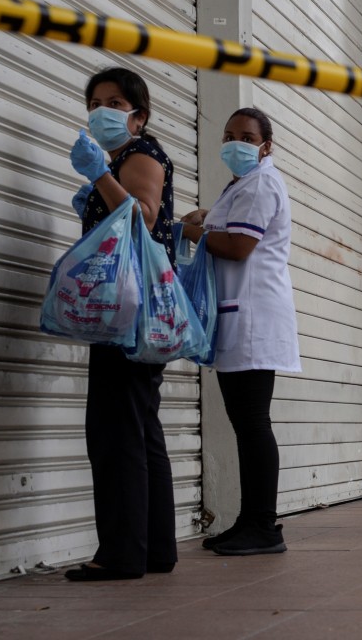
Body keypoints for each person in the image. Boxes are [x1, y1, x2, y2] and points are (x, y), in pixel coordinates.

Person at [64, 67, 178, 581]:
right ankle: (153, 549)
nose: (102, 109)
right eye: (95, 100)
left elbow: (144, 217)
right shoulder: (127, 159)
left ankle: (120, 553)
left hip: (125, 310)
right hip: (137, 307)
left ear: (140, 115)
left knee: (115, 432)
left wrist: (99, 179)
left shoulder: (140, 155)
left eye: (115, 101)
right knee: (139, 427)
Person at [179, 107, 301, 556]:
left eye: (248, 136)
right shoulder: (246, 184)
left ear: (267, 145)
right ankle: (250, 521)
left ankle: (264, 527)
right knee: (245, 424)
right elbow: (233, 226)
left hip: (253, 318)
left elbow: (238, 245)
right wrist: (209, 216)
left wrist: (189, 229)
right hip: (241, 316)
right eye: (229, 134)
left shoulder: (263, 181)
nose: (236, 143)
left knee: (252, 424)